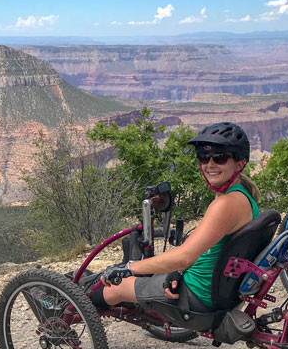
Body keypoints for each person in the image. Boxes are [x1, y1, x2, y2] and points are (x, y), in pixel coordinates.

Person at [93, 122, 260, 312]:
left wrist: (129, 267)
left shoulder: (226, 204)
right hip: (212, 289)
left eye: (220, 158)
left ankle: (66, 314)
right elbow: (201, 253)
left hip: (196, 295)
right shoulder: (242, 196)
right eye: (204, 157)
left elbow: (184, 257)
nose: (210, 165)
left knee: (112, 287)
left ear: (240, 163)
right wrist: (178, 270)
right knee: (123, 278)